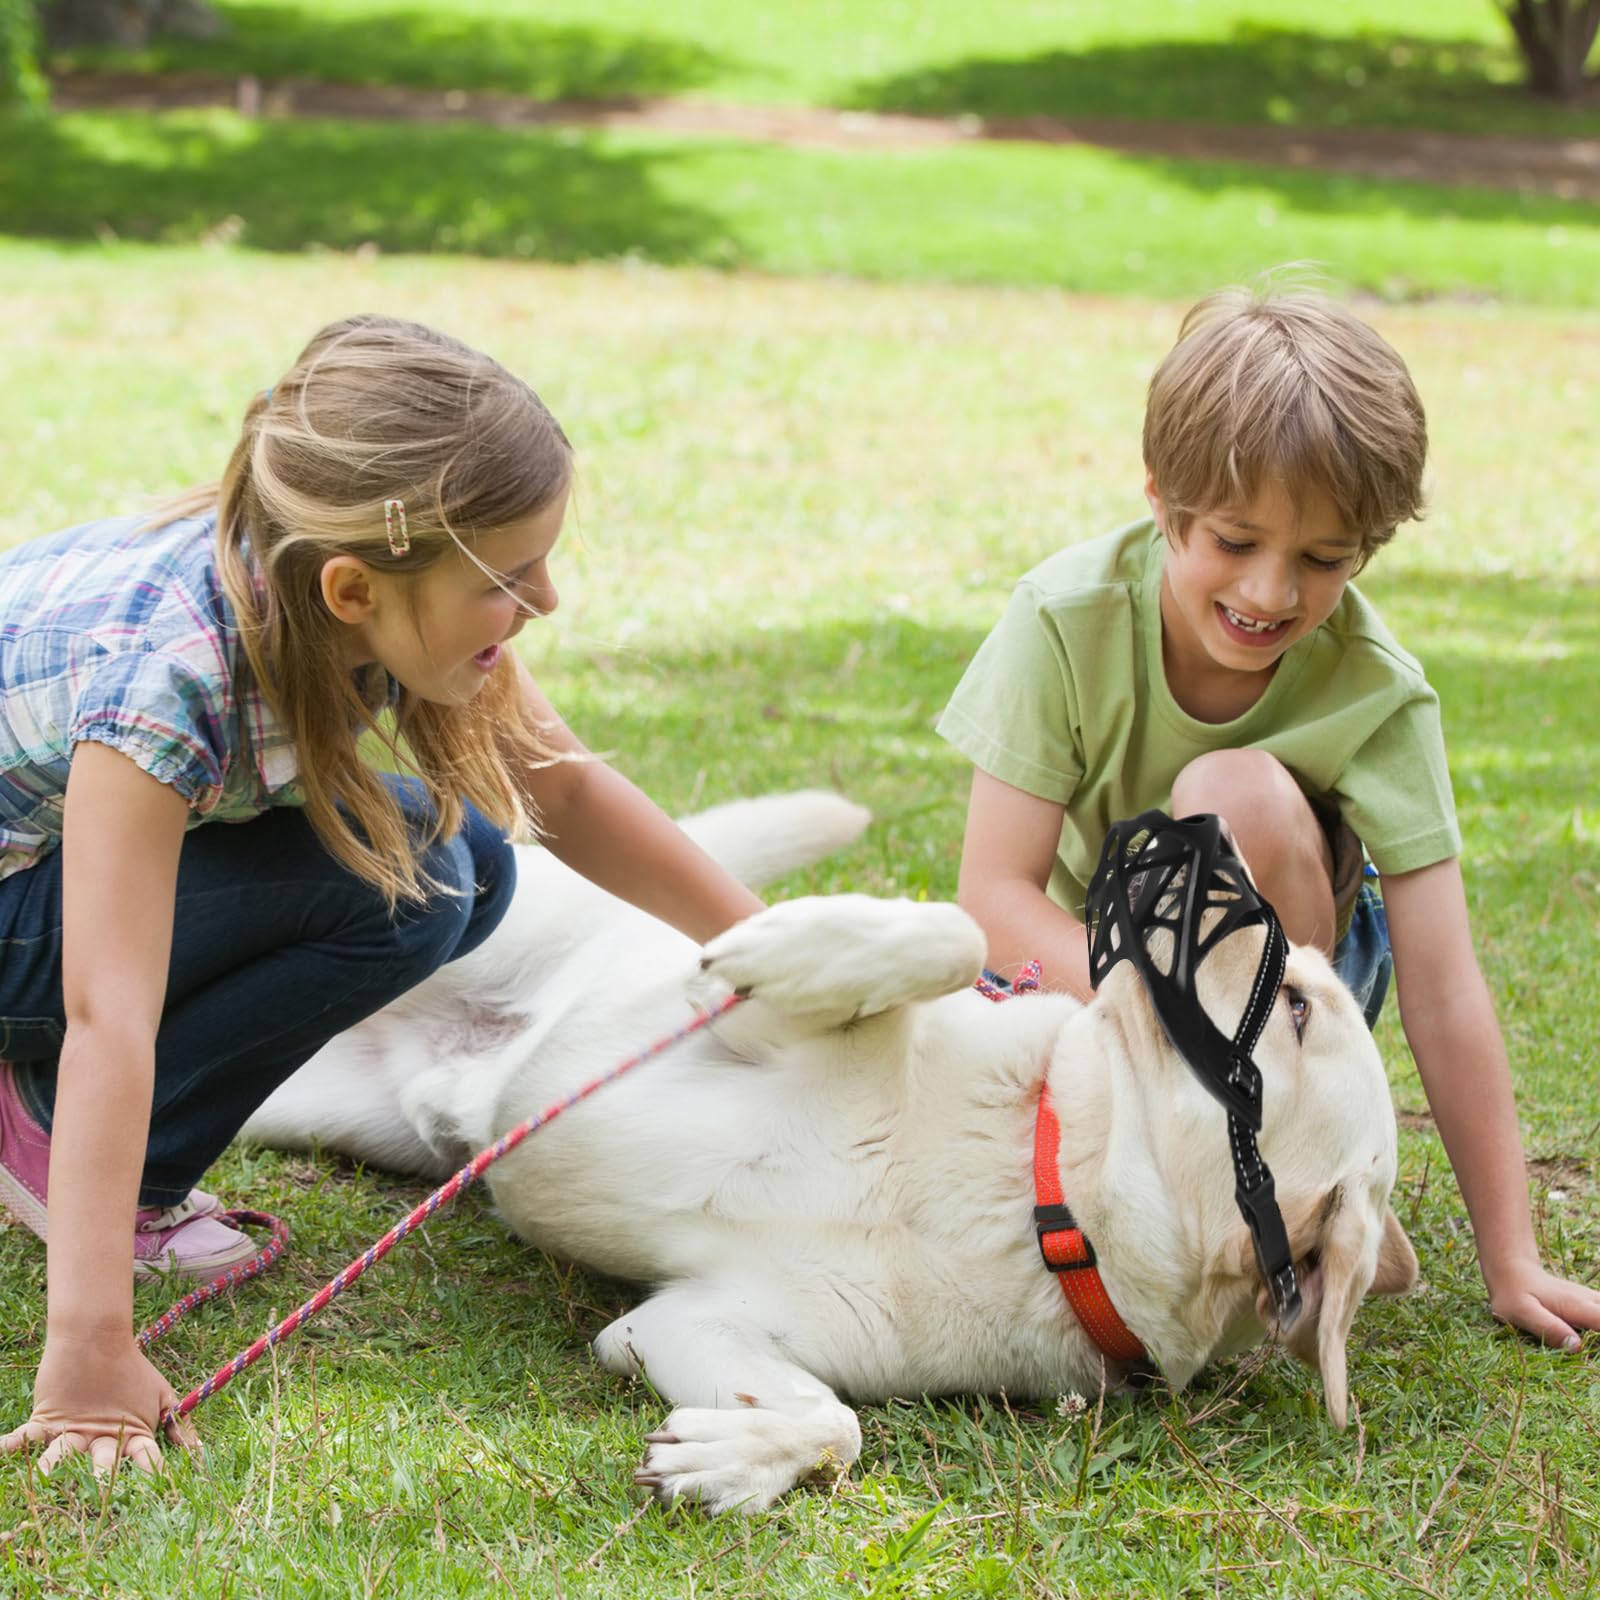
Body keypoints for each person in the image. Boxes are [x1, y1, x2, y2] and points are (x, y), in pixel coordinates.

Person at [0, 314, 764, 1477]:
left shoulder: (333, 586)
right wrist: (90, 1350)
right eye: (509, 577)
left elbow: (564, 788)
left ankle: (50, 1121)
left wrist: (780, 947)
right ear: (355, 588)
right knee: (410, 859)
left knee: (461, 866)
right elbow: (112, 1009)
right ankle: (69, 1151)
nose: (547, 599)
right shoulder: (167, 682)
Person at [938, 281, 1600, 1352]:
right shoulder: (1063, 619)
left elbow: (1442, 982)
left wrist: (1510, 1257)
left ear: (1367, 550)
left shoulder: (1376, 689)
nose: (1270, 590)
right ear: (1162, 501)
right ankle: (1192, 1113)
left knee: (1225, 794)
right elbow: (994, 893)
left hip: (1296, 987)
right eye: (1236, 540)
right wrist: (1146, 1021)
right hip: (1098, 961)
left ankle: (1271, 1127)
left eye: (1323, 559)